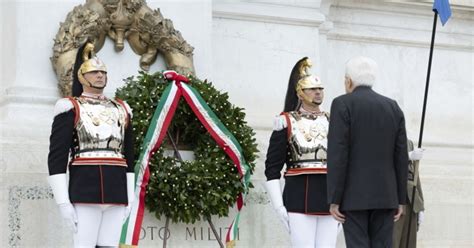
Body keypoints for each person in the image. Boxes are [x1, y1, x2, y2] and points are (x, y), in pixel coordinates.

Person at [47, 41, 135, 248]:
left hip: (116, 189)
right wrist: (62, 202)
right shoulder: (70, 107)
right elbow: (57, 158)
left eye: (103, 72)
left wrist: (129, 197)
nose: (100, 76)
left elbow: (129, 156)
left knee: (109, 245)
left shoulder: (121, 108)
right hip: (85, 188)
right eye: (94, 72)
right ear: (82, 76)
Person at [327, 56, 408, 247]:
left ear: (349, 81)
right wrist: (400, 198)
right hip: (386, 195)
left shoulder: (342, 104)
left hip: (353, 196)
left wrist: (334, 198)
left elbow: (338, 154)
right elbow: (401, 157)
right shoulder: (393, 107)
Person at [265, 57, 339, 247]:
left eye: (320, 89)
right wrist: (278, 205)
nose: (318, 92)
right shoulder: (286, 121)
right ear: (300, 93)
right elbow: (272, 167)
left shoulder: (334, 120)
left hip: (330, 196)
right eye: (312, 89)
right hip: (299, 195)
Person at [393, 140, 425, 247]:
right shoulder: (384, 135)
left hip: (411, 201)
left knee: (408, 244)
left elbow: (414, 175)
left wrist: (420, 205)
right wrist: (407, 156)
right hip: (393, 200)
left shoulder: (408, 142)